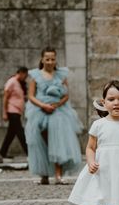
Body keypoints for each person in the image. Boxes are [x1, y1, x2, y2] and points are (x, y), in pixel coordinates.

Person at [25, 47, 82, 184]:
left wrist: (57, 104)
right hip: (40, 111)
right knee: (41, 142)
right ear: (42, 59)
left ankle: (58, 174)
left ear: (55, 60)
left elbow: (66, 94)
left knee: (58, 141)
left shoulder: (61, 75)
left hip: (58, 112)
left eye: (52, 59)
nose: (50, 61)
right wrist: (43, 106)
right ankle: (44, 174)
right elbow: (31, 96)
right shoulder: (36, 75)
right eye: (47, 59)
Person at [0, 66, 29, 158]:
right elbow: (5, 97)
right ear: (21, 73)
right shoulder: (12, 82)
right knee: (20, 133)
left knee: (11, 134)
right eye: (25, 75)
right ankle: (29, 152)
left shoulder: (19, 83)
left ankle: (2, 152)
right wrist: (4, 112)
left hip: (17, 111)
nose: (26, 77)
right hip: (12, 111)